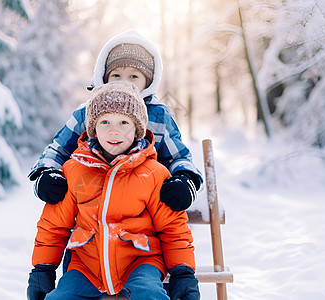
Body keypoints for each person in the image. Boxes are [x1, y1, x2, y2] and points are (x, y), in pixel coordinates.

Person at [27, 81, 200, 300]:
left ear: (137, 129)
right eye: (105, 121)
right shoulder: (74, 171)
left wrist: (183, 272)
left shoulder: (153, 174)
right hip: (86, 265)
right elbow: (54, 225)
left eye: (124, 122)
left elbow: (173, 228)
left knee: (149, 294)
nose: (113, 130)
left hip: (141, 261)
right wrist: (42, 269)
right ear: (93, 128)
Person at [29, 29, 203, 212]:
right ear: (104, 78)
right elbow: (58, 149)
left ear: (148, 81)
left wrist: (184, 178)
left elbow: (177, 157)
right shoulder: (88, 113)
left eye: (134, 76)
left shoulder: (158, 117)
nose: (125, 82)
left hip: (143, 210)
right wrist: (47, 173)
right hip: (91, 208)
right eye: (116, 75)